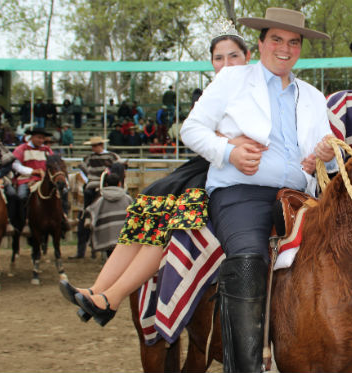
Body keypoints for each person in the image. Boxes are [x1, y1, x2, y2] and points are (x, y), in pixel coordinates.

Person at [60, 16, 332, 373]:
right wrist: (229, 153)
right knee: (247, 254)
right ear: (262, 44)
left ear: (300, 49)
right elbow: (192, 129)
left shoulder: (312, 96)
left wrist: (324, 153)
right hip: (242, 191)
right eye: (277, 40)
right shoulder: (234, 79)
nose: (284, 48)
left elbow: (325, 145)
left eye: (293, 42)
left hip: (299, 195)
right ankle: (245, 366)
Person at [71, 137, 123, 259]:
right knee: (88, 192)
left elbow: (119, 170)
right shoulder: (89, 158)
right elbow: (84, 172)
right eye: (92, 146)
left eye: (95, 146)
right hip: (93, 182)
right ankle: (87, 212)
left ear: (100, 145)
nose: (93, 148)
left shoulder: (112, 157)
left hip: (108, 183)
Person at [11, 127, 66, 230]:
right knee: (21, 195)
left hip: (45, 179)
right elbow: (15, 165)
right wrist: (32, 171)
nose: (41, 140)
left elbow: (54, 164)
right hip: (27, 178)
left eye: (42, 138)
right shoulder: (22, 148)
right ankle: (22, 221)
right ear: (32, 137)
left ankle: (62, 218)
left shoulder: (47, 150)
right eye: (38, 138)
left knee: (62, 192)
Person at [83, 163, 132, 257]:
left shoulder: (100, 200)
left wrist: (87, 219)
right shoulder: (127, 198)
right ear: (119, 183)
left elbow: (91, 211)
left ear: (106, 184)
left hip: (107, 237)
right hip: (123, 237)